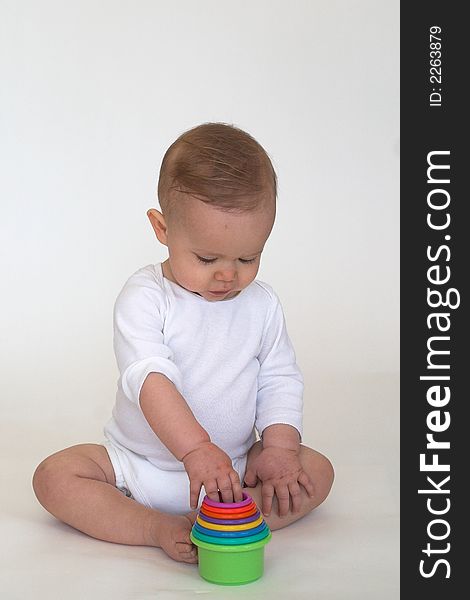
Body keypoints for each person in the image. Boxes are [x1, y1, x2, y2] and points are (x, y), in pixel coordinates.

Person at [33, 122, 334, 564]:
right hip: (140, 467)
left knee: (317, 473)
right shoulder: (146, 296)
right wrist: (195, 450)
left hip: (231, 469)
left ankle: (232, 520)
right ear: (162, 228)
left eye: (248, 257)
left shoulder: (261, 304)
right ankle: (151, 526)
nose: (228, 275)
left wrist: (279, 450)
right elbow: (150, 378)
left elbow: (279, 377)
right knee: (54, 477)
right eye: (207, 258)